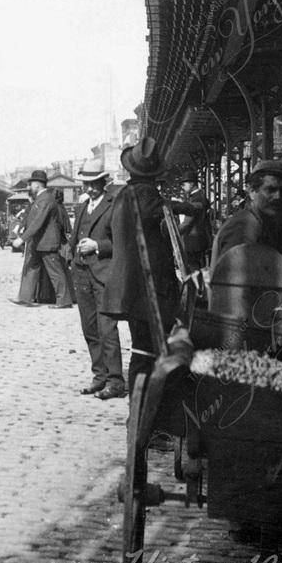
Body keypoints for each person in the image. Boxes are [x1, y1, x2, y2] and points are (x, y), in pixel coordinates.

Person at [100, 138, 179, 393]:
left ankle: (139, 410)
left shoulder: (122, 194)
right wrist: (195, 207)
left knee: (141, 350)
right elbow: (163, 211)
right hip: (151, 290)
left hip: (132, 288)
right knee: (150, 353)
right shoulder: (147, 195)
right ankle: (145, 415)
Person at [69, 159, 124, 399]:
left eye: (94, 183)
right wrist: (72, 259)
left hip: (103, 275)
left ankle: (116, 382)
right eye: (86, 184)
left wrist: (97, 246)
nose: (90, 188)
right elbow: (73, 238)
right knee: (89, 328)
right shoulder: (82, 207)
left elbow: (122, 242)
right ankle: (99, 377)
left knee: (107, 329)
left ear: (104, 182)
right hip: (81, 273)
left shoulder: (114, 206)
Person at [210, 159, 282, 271]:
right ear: (252, 191)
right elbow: (234, 281)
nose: (278, 196)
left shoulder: (265, 222)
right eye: (271, 190)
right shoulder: (243, 227)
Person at [11, 170, 72, 308]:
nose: (29, 187)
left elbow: (38, 221)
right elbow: (30, 217)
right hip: (38, 242)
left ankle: (64, 301)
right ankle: (25, 298)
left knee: (55, 271)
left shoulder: (46, 199)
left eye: (31, 184)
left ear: (37, 185)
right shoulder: (41, 199)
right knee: (30, 268)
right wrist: (21, 228)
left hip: (47, 242)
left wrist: (22, 239)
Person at [168, 170, 212, 272]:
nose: (182, 187)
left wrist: (173, 233)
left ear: (192, 183)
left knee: (194, 272)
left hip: (193, 242)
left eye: (184, 184)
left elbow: (187, 222)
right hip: (198, 241)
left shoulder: (197, 199)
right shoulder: (198, 197)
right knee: (199, 270)